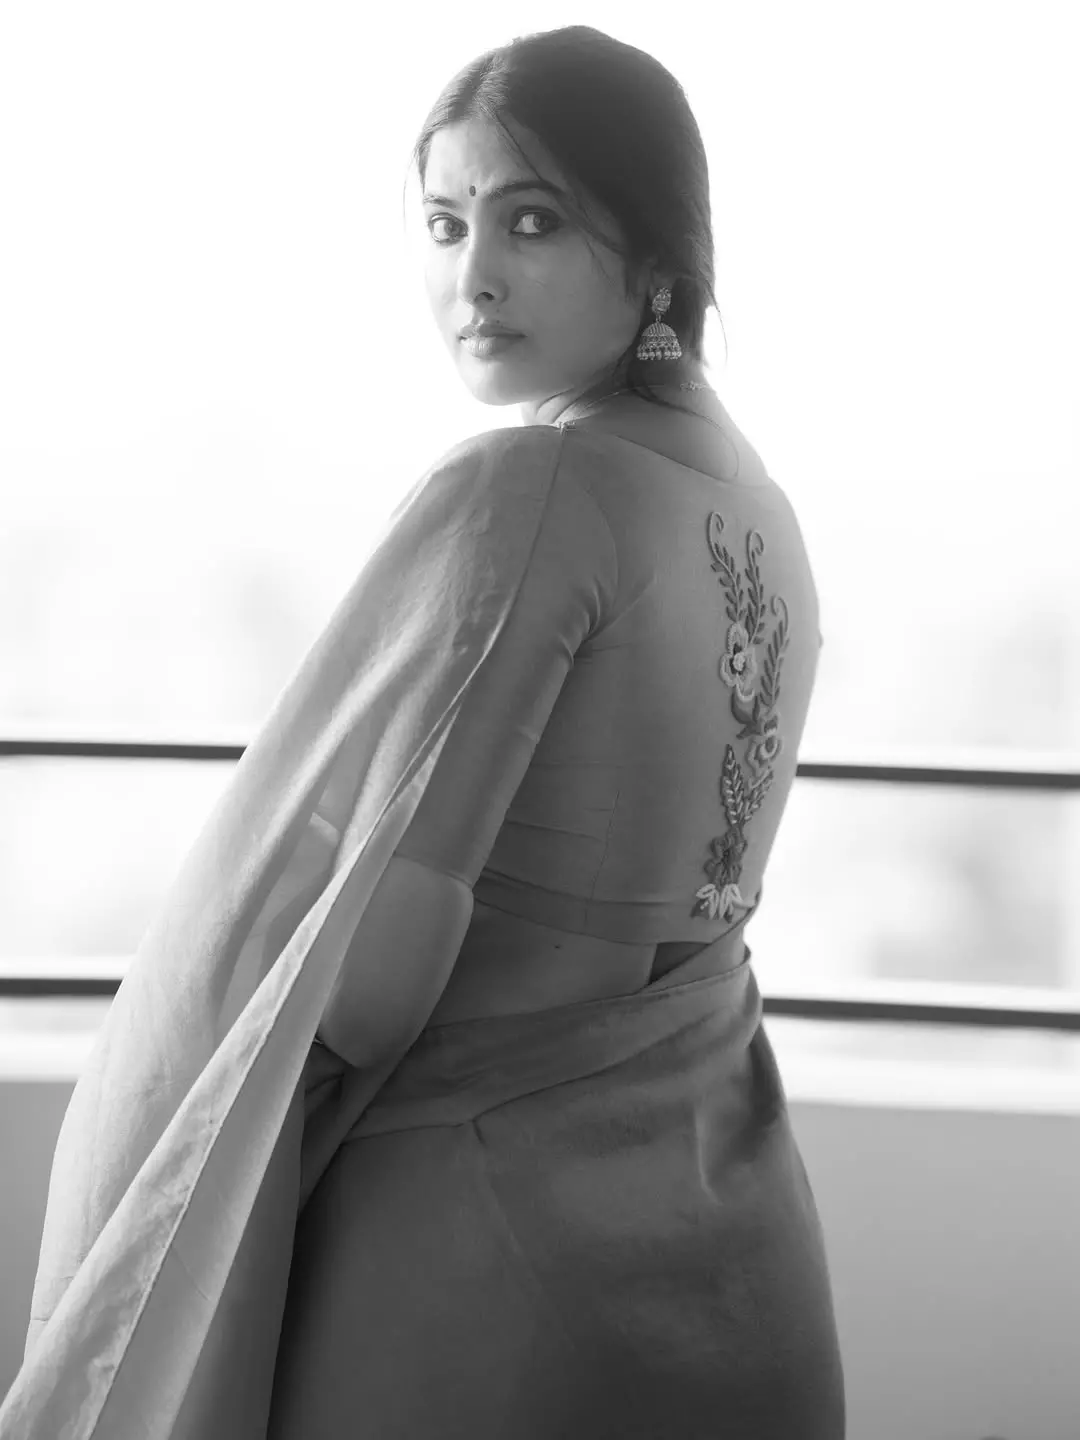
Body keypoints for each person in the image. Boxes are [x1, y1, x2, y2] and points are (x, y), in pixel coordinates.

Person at [1, 24, 844, 1440]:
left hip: (485, 1238)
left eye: (533, 220)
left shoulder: (533, 486)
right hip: (730, 1234)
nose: (475, 276)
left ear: (658, 253)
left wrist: (231, 998)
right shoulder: (765, 515)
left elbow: (379, 972)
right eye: (447, 224)